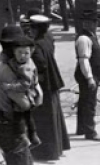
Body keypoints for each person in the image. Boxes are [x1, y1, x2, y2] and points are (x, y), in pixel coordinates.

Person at [0, 26, 40, 165]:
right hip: (11, 123)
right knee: (19, 158)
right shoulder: (6, 70)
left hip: (1, 119)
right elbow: (24, 103)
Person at [28, 15, 71, 160]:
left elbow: (41, 64)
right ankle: (58, 148)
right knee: (55, 115)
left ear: (36, 29)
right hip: (53, 81)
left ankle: (46, 151)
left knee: (44, 118)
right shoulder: (48, 38)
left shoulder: (36, 45)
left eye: (32, 28)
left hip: (44, 84)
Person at [74, 23, 100, 142]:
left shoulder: (91, 36)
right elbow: (84, 60)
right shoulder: (84, 38)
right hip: (89, 75)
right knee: (89, 103)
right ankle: (90, 132)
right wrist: (89, 78)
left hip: (93, 74)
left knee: (84, 101)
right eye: (92, 22)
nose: (95, 24)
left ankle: (82, 128)